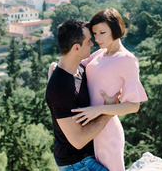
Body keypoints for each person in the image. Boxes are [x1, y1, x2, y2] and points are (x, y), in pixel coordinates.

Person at [49, 9, 148, 171]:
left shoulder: (127, 60)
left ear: (116, 29)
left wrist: (101, 110)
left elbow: (133, 106)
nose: (97, 39)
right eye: (94, 34)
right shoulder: (99, 54)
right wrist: (53, 67)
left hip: (107, 131)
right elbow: (73, 63)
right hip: (89, 132)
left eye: (102, 32)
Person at [46, 19, 119, 171]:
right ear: (76, 48)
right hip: (77, 163)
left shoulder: (79, 68)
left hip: (87, 157)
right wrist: (109, 110)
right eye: (88, 41)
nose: (92, 43)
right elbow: (78, 141)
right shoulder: (60, 87)